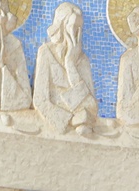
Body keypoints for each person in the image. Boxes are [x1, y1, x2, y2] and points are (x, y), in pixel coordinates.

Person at [33, 2, 99, 135]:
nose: (76, 32)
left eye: (80, 28)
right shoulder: (46, 52)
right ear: (62, 26)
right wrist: (69, 119)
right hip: (55, 126)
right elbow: (40, 100)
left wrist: (70, 64)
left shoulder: (82, 60)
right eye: (73, 26)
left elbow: (91, 107)